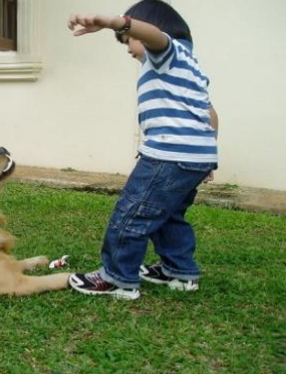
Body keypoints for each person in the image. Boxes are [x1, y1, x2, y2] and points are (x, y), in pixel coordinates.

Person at [66, 0, 219, 300]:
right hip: (192, 156)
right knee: (169, 215)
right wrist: (207, 159)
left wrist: (113, 22)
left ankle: (117, 278)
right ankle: (179, 271)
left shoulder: (166, 52)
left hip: (170, 155)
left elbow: (154, 36)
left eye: (129, 40)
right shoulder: (190, 65)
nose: (127, 48)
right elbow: (210, 113)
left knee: (133, 213)